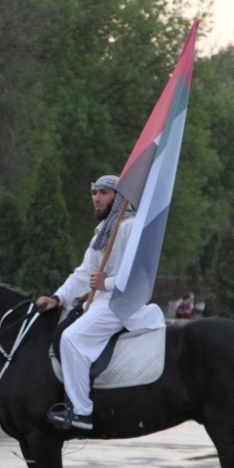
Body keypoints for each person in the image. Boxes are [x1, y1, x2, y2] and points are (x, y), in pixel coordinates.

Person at [34, 175, 164, 430]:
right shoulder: (103, 232)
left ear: (120, 198)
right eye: (94, 192)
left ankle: (82, 412)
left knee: (71, 338)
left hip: (121, 305)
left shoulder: (130, 227)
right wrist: (58, 297)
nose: (96, 198)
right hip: (100, 302)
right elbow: (84, 274)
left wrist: (108, 283)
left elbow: (140, 274)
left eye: (104, 192)